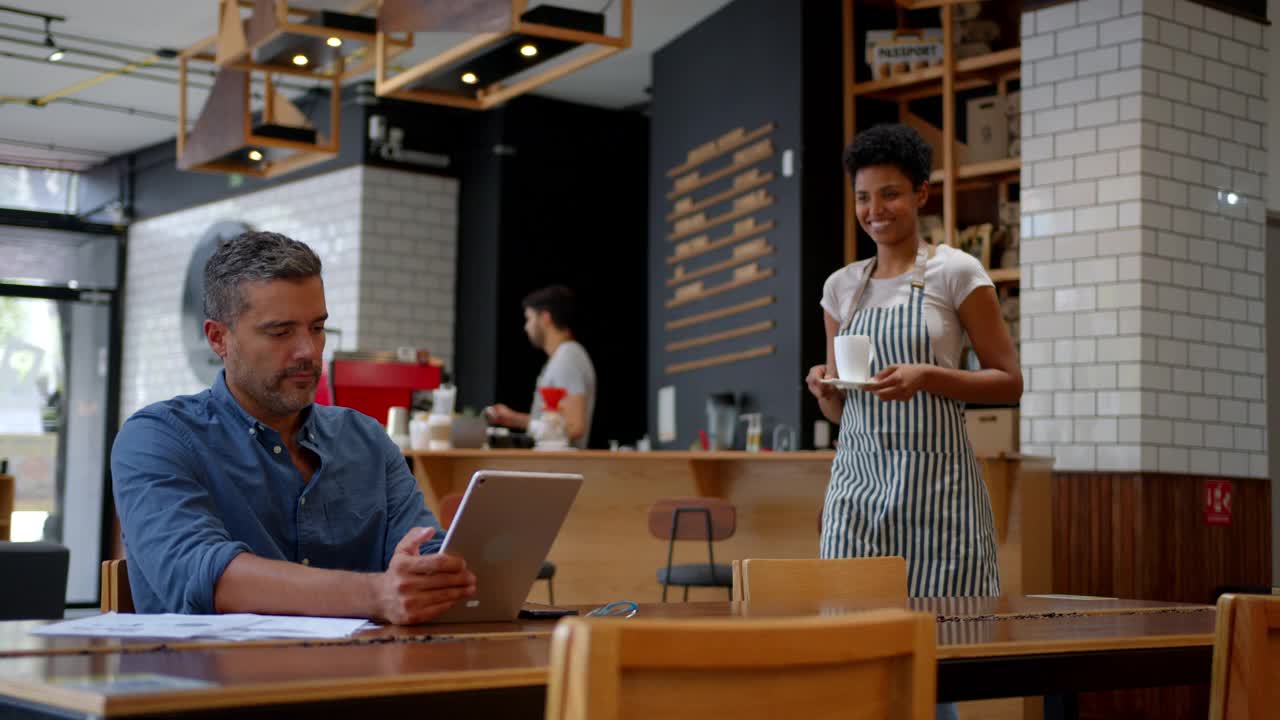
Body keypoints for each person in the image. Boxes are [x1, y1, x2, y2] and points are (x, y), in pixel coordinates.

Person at [111, 231, 475, 623]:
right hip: (214, 679)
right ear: (219, 338)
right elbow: (207, 576)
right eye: (281, 332)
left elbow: (425, 551)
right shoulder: (157, 438)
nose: (308, 351)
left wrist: (436, 576)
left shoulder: (366, 439)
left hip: (363, 676)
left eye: (317, 328)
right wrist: (376, 594)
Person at [806, 123, 1022, 596]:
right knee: (850, 636)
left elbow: (1009, 382)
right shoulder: (840, 288)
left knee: (950, 640)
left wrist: (928, 377)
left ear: (922, 193)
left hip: (939, 497)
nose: (874, 210)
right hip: (856, 495)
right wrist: (825, 389)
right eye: (863, 197)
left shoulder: (957, 272)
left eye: (890, 194)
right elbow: (842, 411)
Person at [485, 285, 596, 449]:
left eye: (529, 318)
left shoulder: (567, 358)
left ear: (545, 318)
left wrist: (529, 426)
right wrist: (514, 419)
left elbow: (574, 426)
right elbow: (555, 423)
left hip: (559, 467)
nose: (526, 327)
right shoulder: (560, 357)